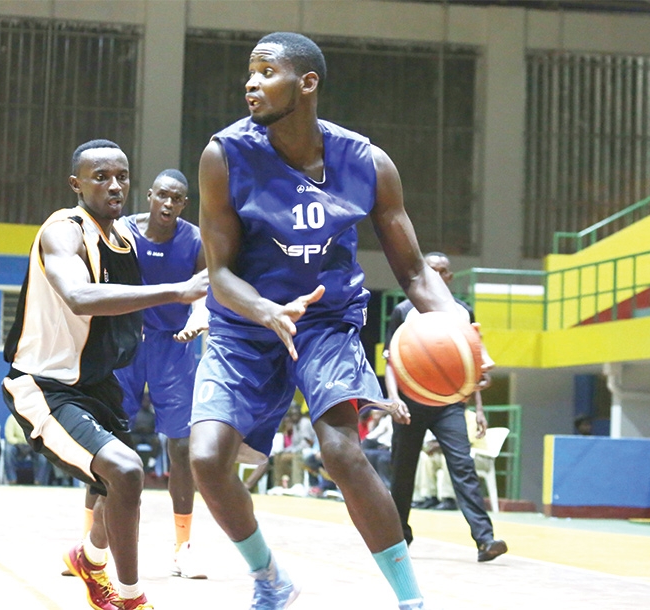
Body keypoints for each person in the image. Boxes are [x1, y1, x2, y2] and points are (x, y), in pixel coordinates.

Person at [190, 32, 473, 610]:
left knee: (342, 451)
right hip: (247, 322)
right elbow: (218, 273)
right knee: (206, 459)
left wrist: (461, 333)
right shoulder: (224, 155)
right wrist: (266, 310)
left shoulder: (367, 163)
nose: (250, 83)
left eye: (266, 72)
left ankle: (411, 601)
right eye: (249, 72)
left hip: (326, 321)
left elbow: (415, 271)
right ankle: (270, 578)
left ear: (307, 83)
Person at [1, 139, 207, 610]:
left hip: (97, 384)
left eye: (121, 176)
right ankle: (131, 598)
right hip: (45, 386)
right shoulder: (64, 230)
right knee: (127, 471)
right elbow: (79, 296)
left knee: (120, 482)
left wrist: (205, 307)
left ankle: (89, 558)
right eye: (101, 177)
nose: (114, 185)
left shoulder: (124, 241)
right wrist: (177, 291)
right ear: (76, 184)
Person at [113, 168, 209, 579]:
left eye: (177, 199)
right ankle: (90, 542)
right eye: (163, 196)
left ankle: (183, 548)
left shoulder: (196, 241)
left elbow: (206, 289)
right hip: (127, 343)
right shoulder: (122, 232)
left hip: (175, 345)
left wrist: (199, 316)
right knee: (108, 439)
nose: (168, 204)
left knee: (182, 447)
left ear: (184, 204)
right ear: (150, 195)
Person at [385, 252, 508, 563]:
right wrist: (393, 399)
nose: (437, 275)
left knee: (463, 466)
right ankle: (399, 538)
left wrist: (479, 407)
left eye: (443, 271)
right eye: (432, 270)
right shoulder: (403, 311)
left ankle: (485, 539)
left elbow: (472, 363)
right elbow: (390, 361)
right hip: (410, 401)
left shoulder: (463, 312)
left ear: (450, 277)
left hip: (450, 403)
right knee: (402, 471)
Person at [4, 413, 51, 485]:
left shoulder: (37, 418)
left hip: (33, 444)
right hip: (17, 446)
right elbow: (9, 437)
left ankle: (39, 481)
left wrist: (31, 446)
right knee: (8, 450)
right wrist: (20, 446)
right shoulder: (12, 418)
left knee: (42, 454)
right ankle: (12, 480)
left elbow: (41, 435)